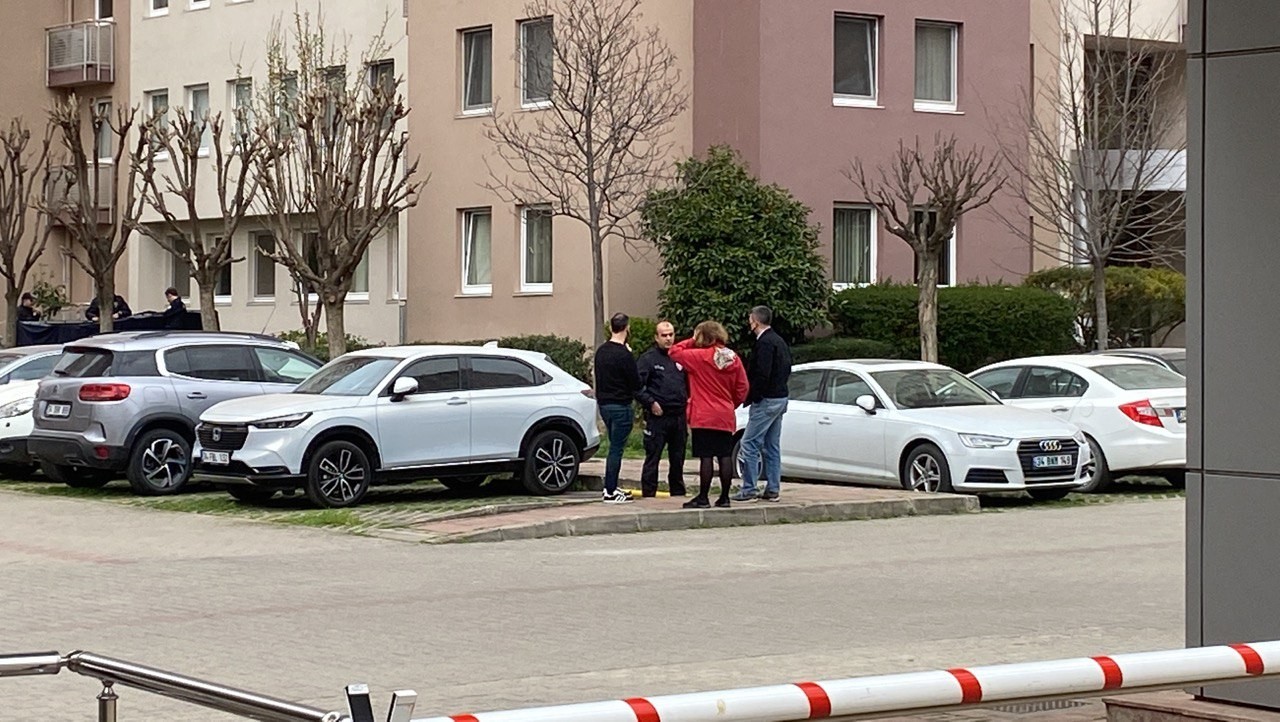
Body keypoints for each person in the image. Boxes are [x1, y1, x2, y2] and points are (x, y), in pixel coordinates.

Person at [669, 321, 749, 509]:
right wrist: (731, 403)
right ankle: (724, 497)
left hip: (703, 413)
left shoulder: (698, 356)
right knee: (724, 455)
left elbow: (674, 352)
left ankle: (703, 497)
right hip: (724, 413)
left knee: (706, 456)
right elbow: (743, 387)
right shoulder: (733, 357)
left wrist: (692, 340)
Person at [733, 305, 792, 503]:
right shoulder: (778, 340)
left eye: (751, 319)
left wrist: (753, 396)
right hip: (780, 397)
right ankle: (773, 488)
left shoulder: (764, 343)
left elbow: (762, 373)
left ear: (755, 321)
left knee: (748, 443)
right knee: (772, 445)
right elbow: (786, 368)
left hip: (766, 399)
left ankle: (749, 488)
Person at [636, 320, 688, 498]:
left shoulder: (680, 357)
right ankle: (649, 494)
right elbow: (637, 386)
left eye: (671, 335)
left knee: (678, 458)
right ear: (656, 337)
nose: (668, 339)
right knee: (653, 457)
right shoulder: (648, 359)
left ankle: (678, 493)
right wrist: (650, 402)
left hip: (679, 416)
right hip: (658, 416)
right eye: (664, 335)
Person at [593, 312, 640, 504]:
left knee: (613, 445)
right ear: (627, 328)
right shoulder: (624, 354)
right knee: (616, 449)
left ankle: (611, 486)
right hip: (621, 405)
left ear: (611, 328)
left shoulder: (601, 351)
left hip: (604, 405)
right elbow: (635, 382)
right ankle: (610, 490)